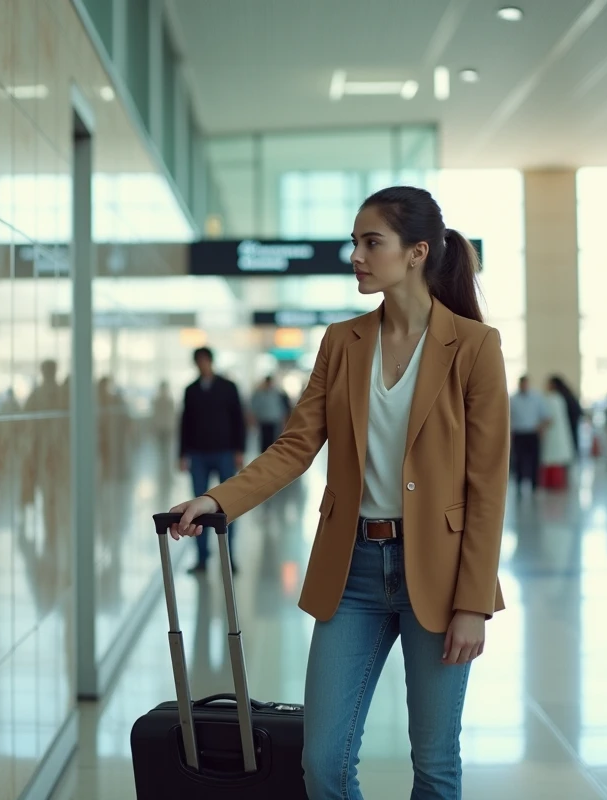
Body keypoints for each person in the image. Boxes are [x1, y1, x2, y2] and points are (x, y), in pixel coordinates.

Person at [168, 186, 510, 800]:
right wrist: (219, 501)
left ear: (416, 252)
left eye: (371, 242)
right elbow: (294, 446)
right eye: (354, 242)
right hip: (352, 571)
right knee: (324, 763)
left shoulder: (475, 347)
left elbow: (486, 485)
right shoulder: (341, 342)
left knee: (435, 765)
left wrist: (473, 603)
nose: (356, 255)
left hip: (441, 574)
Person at [178, 347, 247, 574]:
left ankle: (229, 557)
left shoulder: (228, 387)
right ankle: (201, 558)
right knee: (197, 508)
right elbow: (185, 423)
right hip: (198, 454)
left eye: (204, 361)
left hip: (224, 452)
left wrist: (239, 450)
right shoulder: (191, 390)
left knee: (228, 505)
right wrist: (182, 454)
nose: (202, 365)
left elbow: (238, 419)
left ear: (211, 361)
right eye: (198, 361)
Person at [510, 375, 549, 492]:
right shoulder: (513, 399)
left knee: (534, 459)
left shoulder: (537, 398)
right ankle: (519, 483)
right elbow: (509, 417)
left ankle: (534, 484)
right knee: (519, 459)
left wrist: (541, 428)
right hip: (519, 433)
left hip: (532, 433)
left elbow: (545, 416)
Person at [540, 377, 575, 487]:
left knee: (553, 457)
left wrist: (541, 427)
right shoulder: (560, 398)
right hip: (559, 432)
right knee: (556, 457)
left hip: (552, 433)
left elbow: (549, 418)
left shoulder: (552, 399)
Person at [250, 375, 292, 452]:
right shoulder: (259, 393)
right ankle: (264, 454)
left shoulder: (276, 393)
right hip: (263, 421)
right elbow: (254, 407)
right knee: (264, 441)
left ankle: (272, 453)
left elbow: (282, 407)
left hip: (274, 421)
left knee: (274, 440)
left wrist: (284, 420)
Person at [548, 375, 583, 456]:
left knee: (571, 441)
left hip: (570, 421)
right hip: (571, 421)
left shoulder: (560, 396)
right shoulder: (564, 394)